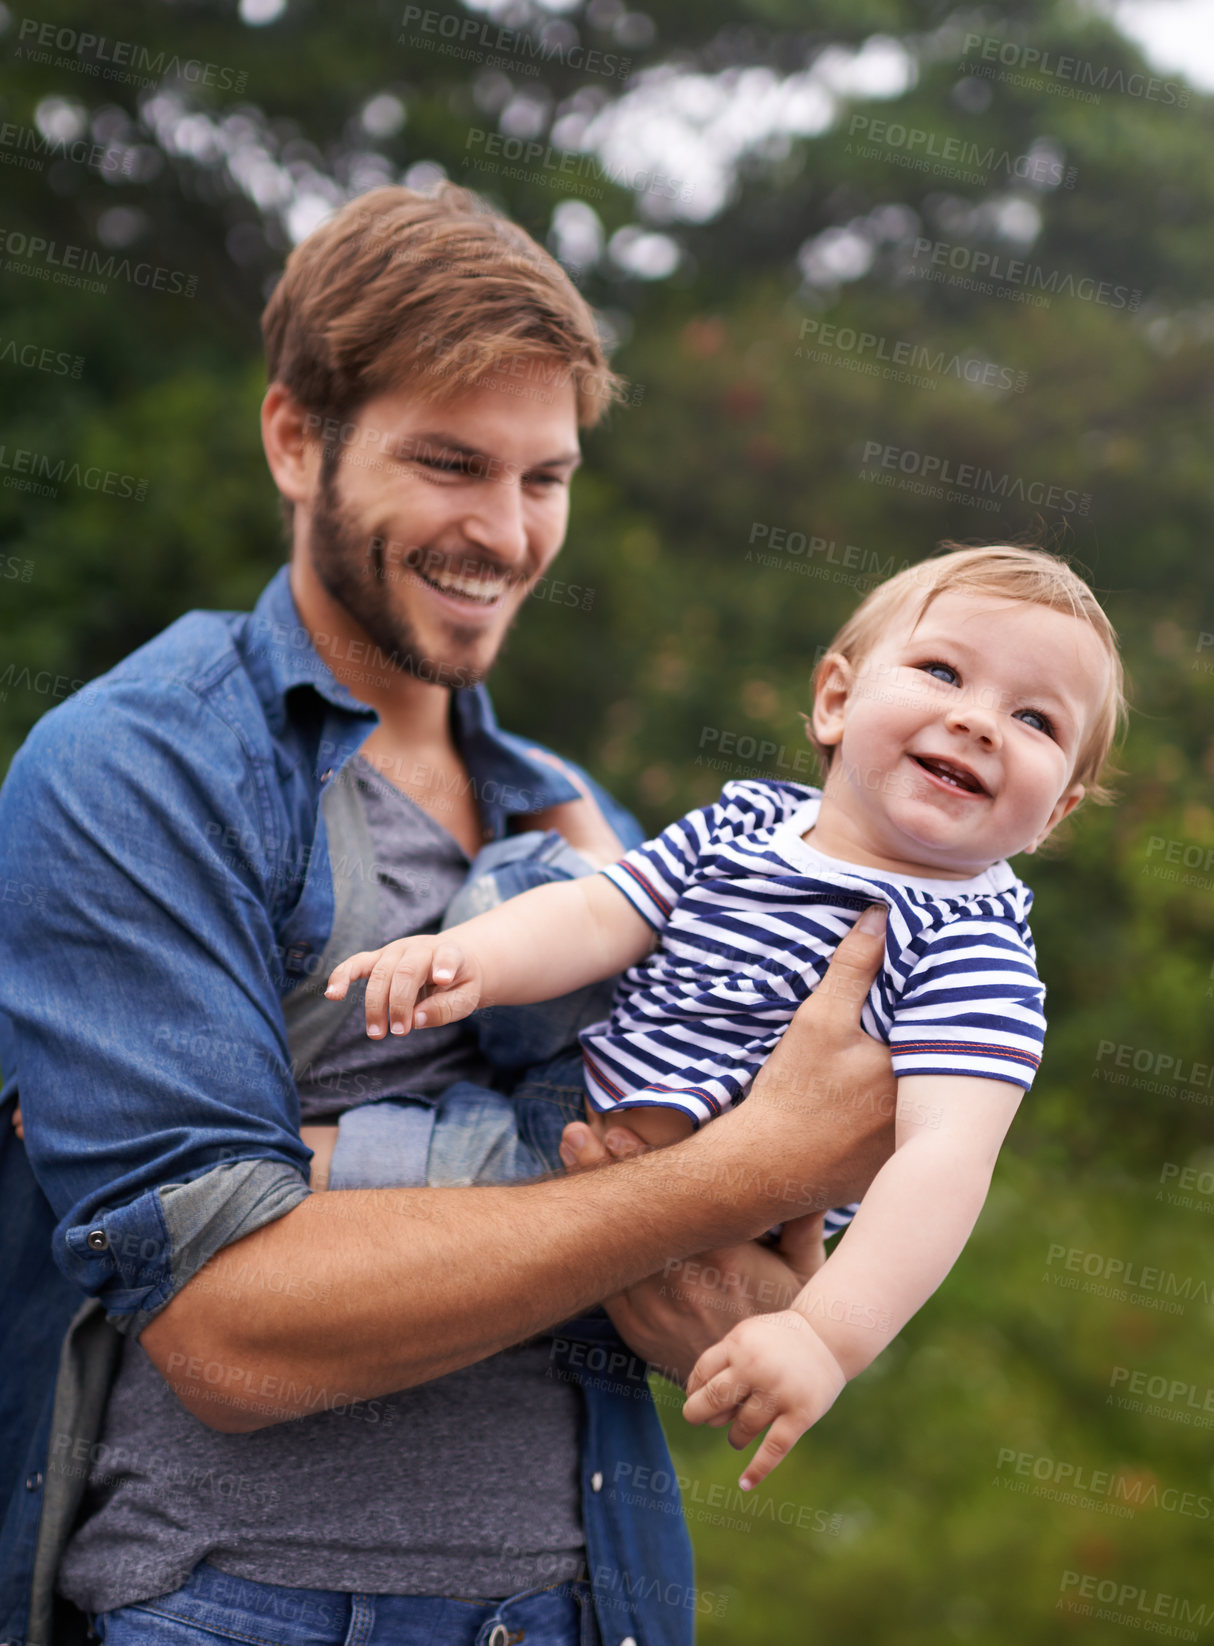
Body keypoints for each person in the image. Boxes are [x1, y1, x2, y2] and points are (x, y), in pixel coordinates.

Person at [0, 182, 897, 1646]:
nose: (503, 531)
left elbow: (749, 1305)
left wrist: (351, 1170)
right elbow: (231, 1327)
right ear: (296, 437)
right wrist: (722, 1171)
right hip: (255, 1612)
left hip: (592, 1603)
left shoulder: (573, 817)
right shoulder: (138, 769)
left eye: (543, 478)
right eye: (448, 464)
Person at [326, 544, 1126, 1492]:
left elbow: (945, 1160)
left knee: (341, 1179)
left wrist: (823, 1338)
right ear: (835, 700)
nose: (976, 720)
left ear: (1055, 813)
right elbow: (600, 915)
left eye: (1034, 719)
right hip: (574, 1098)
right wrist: (471, 963)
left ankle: (222, 1200)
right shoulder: (743, 825)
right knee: (528, 889)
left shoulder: (969, 947)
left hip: (665, 1212)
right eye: (942, 671)